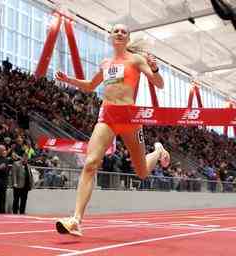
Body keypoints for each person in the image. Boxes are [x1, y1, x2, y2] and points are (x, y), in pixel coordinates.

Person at [55, 23, 170, 236]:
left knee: (142, 172)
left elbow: (159, 83)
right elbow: (90, 86)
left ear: (127, 39)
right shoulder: (106, 63)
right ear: (110, 36)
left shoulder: (136, 60)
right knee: (90, 163)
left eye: (123, 31)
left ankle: (158, 151)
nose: (119, 33)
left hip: (130, 118)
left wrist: (154, 69)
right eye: (115, 30)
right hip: (107, 116)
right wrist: (69, 79)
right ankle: (76, 220)